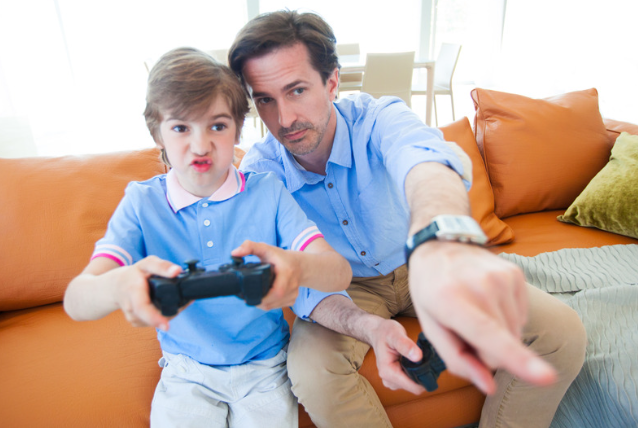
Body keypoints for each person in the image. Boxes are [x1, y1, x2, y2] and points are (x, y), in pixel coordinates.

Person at [228, 10, 588, 428]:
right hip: (345, 288)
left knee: (560, 332)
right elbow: (300, 285)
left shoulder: (379, 119)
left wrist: (436, 238)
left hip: (422, 259)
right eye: (265, 100)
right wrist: (367, 327)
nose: (284, 119)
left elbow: (426, 166)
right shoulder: (261, 174)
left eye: (296, 91)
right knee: (312, 373)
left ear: (331, 83)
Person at [63, 47, 354, 428]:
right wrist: (118, 285)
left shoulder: (268, 192)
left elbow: (338, 272)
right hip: (187, 373)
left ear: (238, 127)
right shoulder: (141, 203)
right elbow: (76, 300)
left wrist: (298, 267)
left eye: (217, 126)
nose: (200, 146)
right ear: (158, 133)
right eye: (181, 127)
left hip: (265, 368)